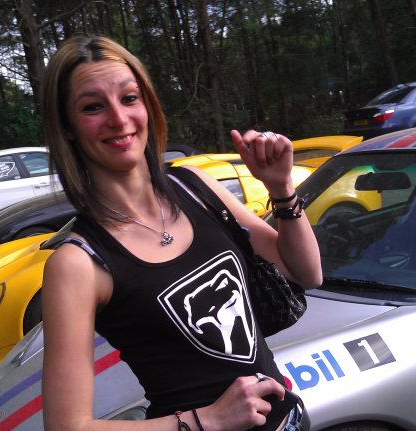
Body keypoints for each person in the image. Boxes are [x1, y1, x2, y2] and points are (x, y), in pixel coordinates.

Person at [40, 34, 322, 431]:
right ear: (67, 127)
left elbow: (306, 273)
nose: (119, 120)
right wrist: (206, 420)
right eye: (92, 107)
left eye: (129, 98)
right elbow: (67, 427)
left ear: (148, 105)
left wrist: (282, 190)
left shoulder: (195, 186)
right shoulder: (77, 263)